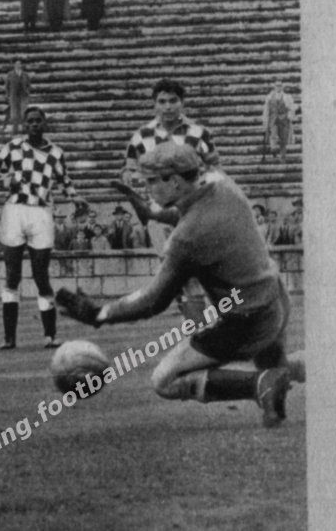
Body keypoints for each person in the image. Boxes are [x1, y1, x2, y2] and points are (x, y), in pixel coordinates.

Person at [56, 142, 298, 428]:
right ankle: (285, 381)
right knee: (278, 366)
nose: (147, 188)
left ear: (174, 181)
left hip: (247, 319)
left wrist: (100, 313)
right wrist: (152, 212)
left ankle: (260, 385)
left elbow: (153, 300)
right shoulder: (221, 183)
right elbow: (194, 210)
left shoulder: (187, 237)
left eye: (151, 181)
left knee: (165, 380)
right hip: (274, 294)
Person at [0, 106, 88, 350]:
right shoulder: (12, 147)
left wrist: (75, 197)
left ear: (44, 123)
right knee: (12, 275)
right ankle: (9, 337)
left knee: (41, 275)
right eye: (29, 121)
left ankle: (50, 335)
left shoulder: (55, 152)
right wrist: (7, 180)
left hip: (41, 213)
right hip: (15, 211)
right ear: (24, 124)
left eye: (37, 121)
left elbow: (64, 180)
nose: (33, 125)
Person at [115, 78, 219, 250]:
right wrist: (138, 188)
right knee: (167, 259)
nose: (168, 107)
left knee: (195, 261)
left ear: (182, 102)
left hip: (194, 210)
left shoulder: (199, 133)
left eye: (173, 101)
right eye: (162, 102)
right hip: (159, 211)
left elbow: (215, 170)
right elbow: (129, 170)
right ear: (154, 104)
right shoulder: (141, 136)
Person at [261, 81, 297, 162]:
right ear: (274, 87)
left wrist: (290, 115)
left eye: (280, 86)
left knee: (283, 139)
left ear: (282, 87)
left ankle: (282, 157)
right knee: (273, 134)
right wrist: (265, 120)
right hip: (273, 119)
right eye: (277, 86)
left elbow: (292, 108)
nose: (278, 87)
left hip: (284, 120)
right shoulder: (269, 97)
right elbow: (266, 109)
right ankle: (273, 148)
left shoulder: (287, 97)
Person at [4, 60, 31, 136]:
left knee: (23, 113)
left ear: (21, 65)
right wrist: (8, 95)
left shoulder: (25, 75)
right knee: (14, 114)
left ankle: (24, 129)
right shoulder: (10, 74)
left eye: (19, 64)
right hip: (14, 97)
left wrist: (27, 93)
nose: (18, 65)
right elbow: (6, 86)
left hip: (23, 97)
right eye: (17, 64)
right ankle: (14, 130)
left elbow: (29, 85)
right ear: (14, 65)